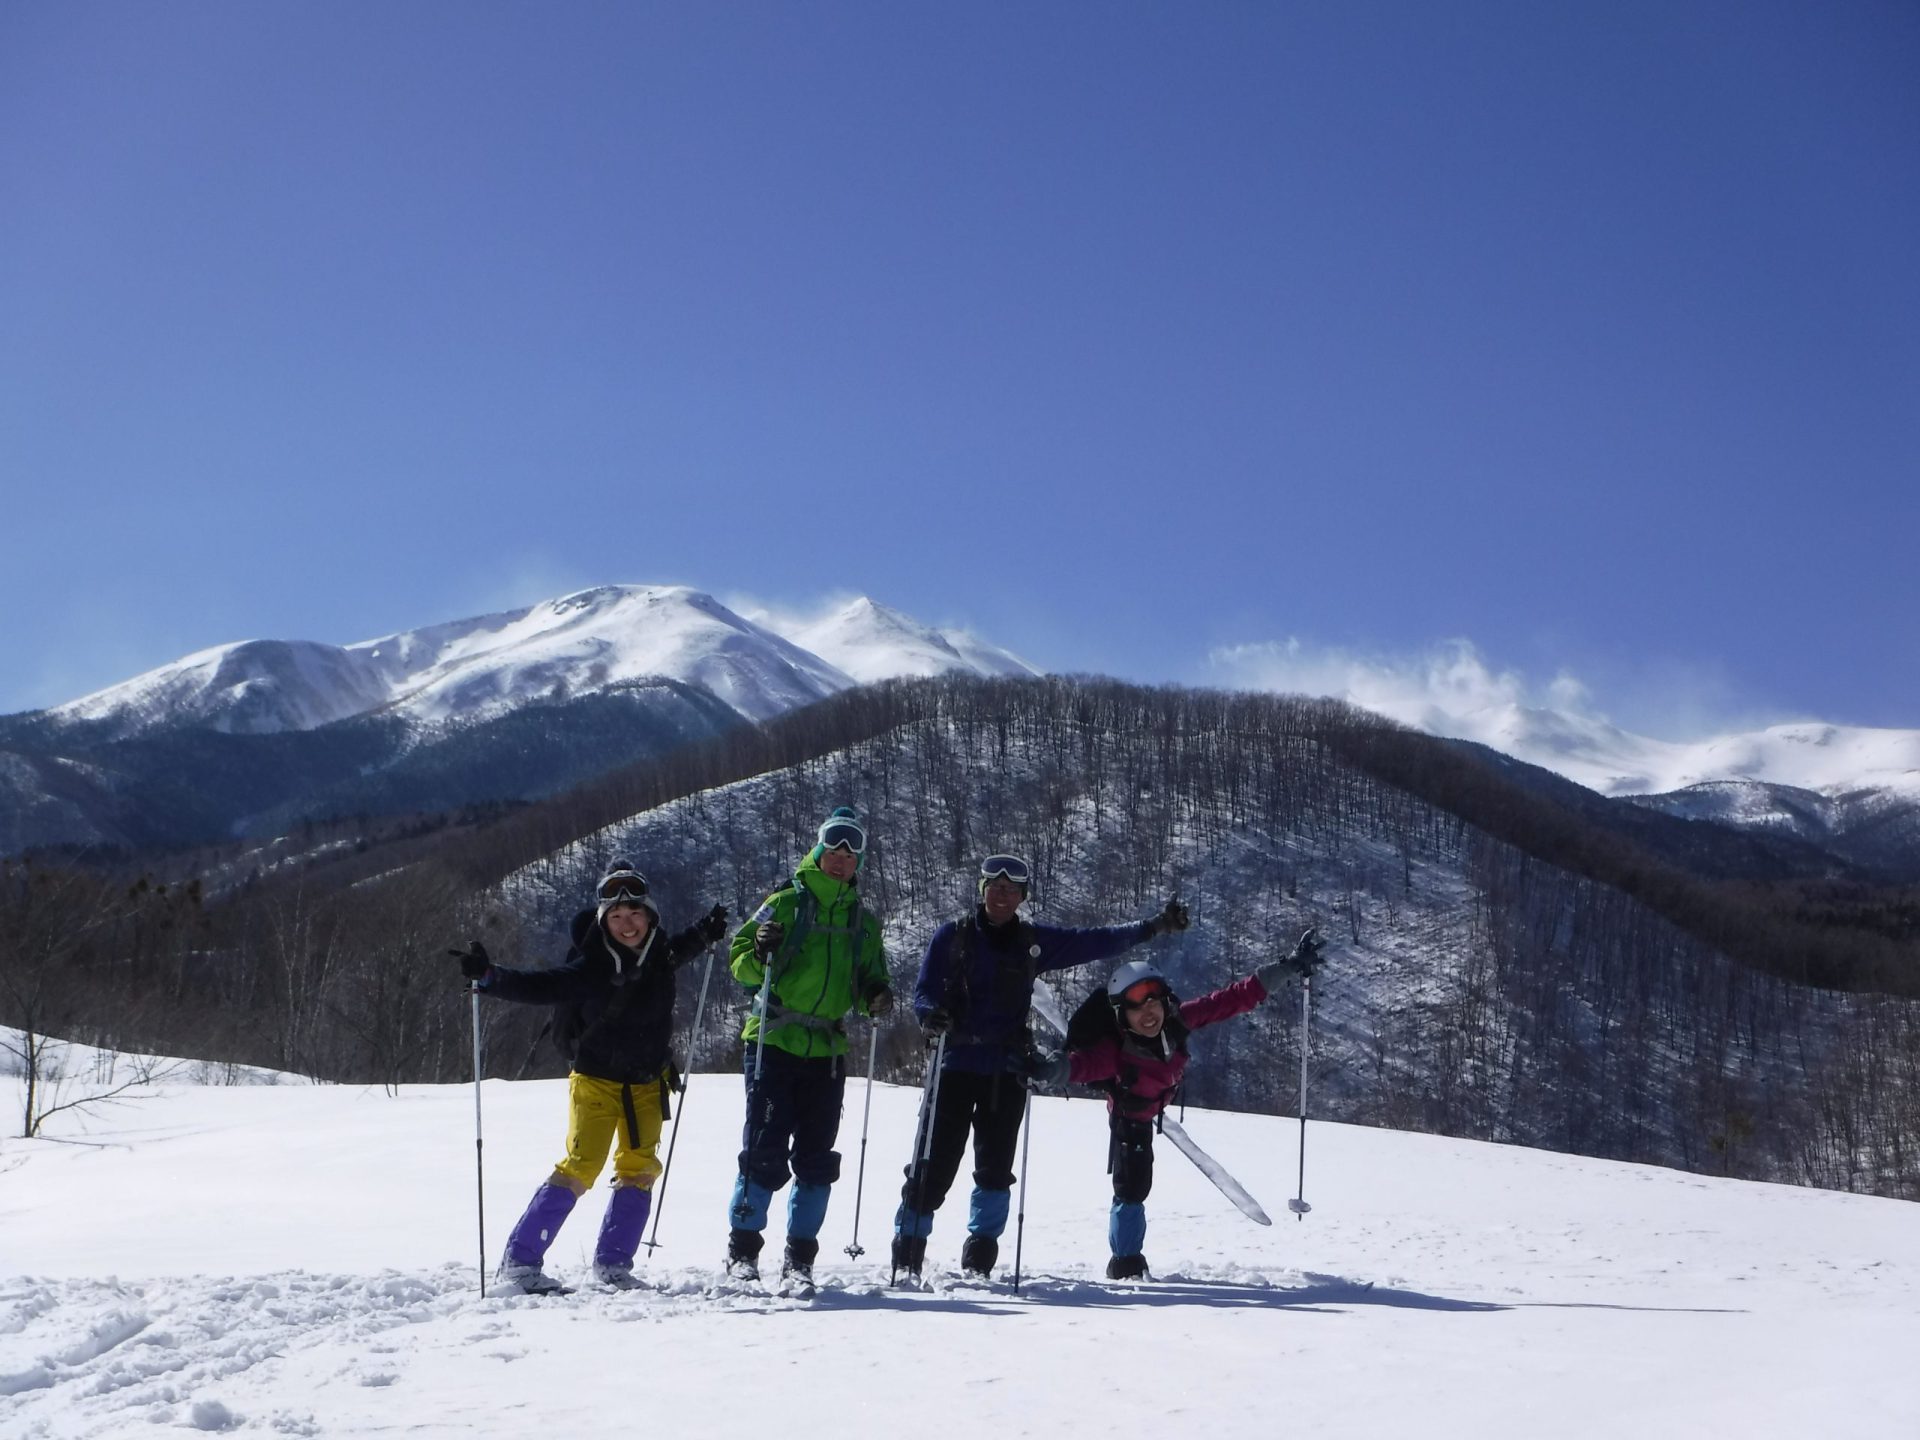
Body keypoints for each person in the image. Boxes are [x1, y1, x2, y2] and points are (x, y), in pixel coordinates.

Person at [890, 853, 1190, 1281]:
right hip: (955, 1063)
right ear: (983, 890)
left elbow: (1094, 940)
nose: (1002, 895)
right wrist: (929, 1015)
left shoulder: (1031, 942)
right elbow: (923, 993)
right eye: (995, 886)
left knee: (995, 1169)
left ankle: (980, 1258)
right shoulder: (952, 937)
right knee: (932, 1164)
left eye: (1012, 889)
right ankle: (908, 1256)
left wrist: (1153, 927)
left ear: (1022, 896)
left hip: (1006, 1067)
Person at [451, 860, 728, 1293]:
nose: (627, 923)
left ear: (649, 916)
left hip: (647, 1083)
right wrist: (489, 978)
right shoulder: (593, 964)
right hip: (595, 1081)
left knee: (639, 1169)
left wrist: (704, 932)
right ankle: (521, 1263)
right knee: (581, 1167)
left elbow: (680, 950)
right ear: (604, 921)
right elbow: (541, 986)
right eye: (616, 917)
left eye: (634, 914)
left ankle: (614, 1266)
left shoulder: (659, 955)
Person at [1059, 927, 1325, 1280]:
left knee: (1136, 1183)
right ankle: (1125, 1262)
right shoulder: (1116, 1051)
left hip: (1156, 1103)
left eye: (1153, 1001)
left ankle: (1126, 1259)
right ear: (1122, 1015)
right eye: (1136, 1007)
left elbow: (1234, 998)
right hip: (1130, 1115)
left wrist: (1288, 967)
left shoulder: (1178, 1023)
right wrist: (1048, 1069)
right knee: (1133, 1187)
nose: (1148, 1012)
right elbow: (1081, 1066)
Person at [726, 806, 893, 1287]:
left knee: (817, 1158)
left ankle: (799, 1259)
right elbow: (740, 965)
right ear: (818, 852)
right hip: (773, 1041)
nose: (841, 860)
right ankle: (743, 1254)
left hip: (827, 1050)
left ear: (858, 863)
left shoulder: (864, 921)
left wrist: (876, 998)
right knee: (764, 1149)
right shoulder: (782, 904)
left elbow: (870, 983)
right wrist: (759, 952)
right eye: (834, 851)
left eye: (850, 854)